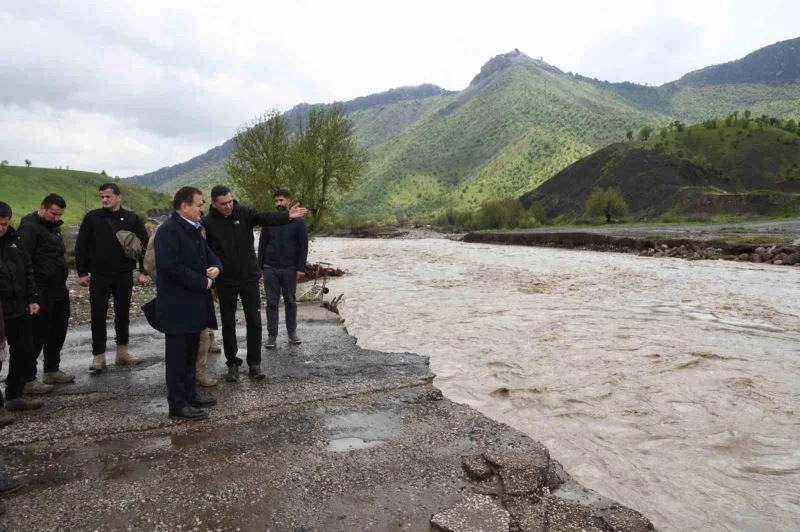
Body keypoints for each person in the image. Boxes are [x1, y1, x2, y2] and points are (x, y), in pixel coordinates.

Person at [202, 185, 306, 382]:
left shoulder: (244, 212)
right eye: (223, 204)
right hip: (225, 280)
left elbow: (266, 218)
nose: (228, 206)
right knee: (228, 323)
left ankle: (255, 364)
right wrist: (212, 284)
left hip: (249, 277)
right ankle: (232, 363)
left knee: (254, 321)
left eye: (230, 201)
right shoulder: (208, 223)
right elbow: (206, 254)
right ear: (214, 203)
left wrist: (287, 217)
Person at [154, 186, 221, 420]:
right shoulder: (168, 231)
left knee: (191, 353)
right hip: (177, 305)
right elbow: (169, 267)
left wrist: (217, 268)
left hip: (194, 304)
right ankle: (177, 405)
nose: (202, 208)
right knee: (177, 357)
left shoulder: (193, 229)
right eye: (199, 204)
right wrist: (203, 282)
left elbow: (209, 253)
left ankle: (191, 395)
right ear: (185, 206)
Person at [75, 183, 149, 373]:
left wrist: (144, 271)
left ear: (118, 197)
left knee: (122, 313)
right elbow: (81, 245)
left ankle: (122, 352)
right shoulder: (92, 218)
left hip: (124, 274)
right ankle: (98, 356)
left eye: (108, 196)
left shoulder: (132, 218)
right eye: (102, 197)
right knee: (98, 315)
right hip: (99, 275)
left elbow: (144, 245)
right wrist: (82, 272)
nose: (104, 200)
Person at [18, 194, 74, 388]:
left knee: (58, 330)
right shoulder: (29, 228)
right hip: (40, 291)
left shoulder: (53, 227)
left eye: (59, 215)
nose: (57, 218)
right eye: (53, 214)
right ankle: (28, 378)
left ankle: (51, 370)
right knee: (37, 334)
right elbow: (23, 261)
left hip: (58, 288)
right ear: (42, 207)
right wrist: (31, 293)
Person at [0, 201, 43, 413]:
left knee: (25, 351)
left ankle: (15, 396)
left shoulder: (15, 239)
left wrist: (32, 298)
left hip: (18, 306)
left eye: (4, 224)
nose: (0, 229)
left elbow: (27, 268)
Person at [257, 188, 309, 349]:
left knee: (290, 302)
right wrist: (260, 267)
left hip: (290, 268)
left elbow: (303, 246)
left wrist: (300, 268)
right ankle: (272, 336)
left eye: (282, 200)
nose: (279, 203)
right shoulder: (270, 221)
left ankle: (292, 333)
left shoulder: (299, 222)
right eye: (276, 201)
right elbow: (262, 245)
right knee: (271, 302)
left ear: (288, 200)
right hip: (270, 267)